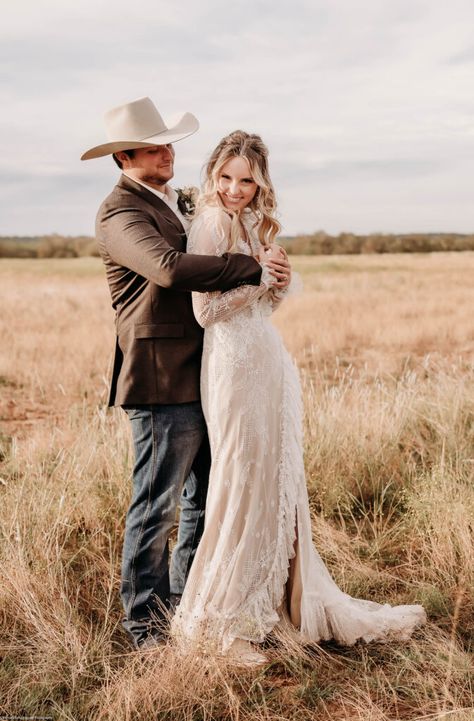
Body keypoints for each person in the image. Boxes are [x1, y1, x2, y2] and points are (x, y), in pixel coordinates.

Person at [171, 130, 427, 664]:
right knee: (240, 478)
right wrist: (260, 282)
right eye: (226, 178)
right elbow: (206, 313)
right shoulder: (211, 223)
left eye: (246, 180)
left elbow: (263, 304)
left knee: (273, 477)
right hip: (231, 370)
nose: (235, 190)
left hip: (267, 361)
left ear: (260, 182)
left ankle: (277, 603)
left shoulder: (253, 224)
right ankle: (226, 623)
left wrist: (278, 284)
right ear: (212, 175)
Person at [80, 98, 291, 649]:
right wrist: (254, 268)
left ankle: (187, 606)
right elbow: (171, 270)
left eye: (169, 142)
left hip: (212, 373)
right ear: (124, 157)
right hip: (159, 376)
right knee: (157, 504)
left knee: (203, 499)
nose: (167, 152)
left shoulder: (182, 203)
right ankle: (144, 627)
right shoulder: (120, 212)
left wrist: (268, 260)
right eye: (153, 146)